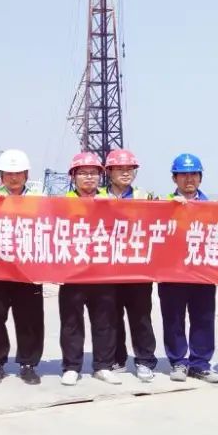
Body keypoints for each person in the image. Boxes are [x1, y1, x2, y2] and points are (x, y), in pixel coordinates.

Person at [0, 149, 45, 385]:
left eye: (18, 173)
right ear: (1, 176)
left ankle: (28, 364)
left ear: (26, 175)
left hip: (28, 270)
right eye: (9, 173)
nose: (14, 178)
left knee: (30, 318)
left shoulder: (40, 201)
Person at [58, 152, 122, 386]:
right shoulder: (60, 203)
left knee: (105, 321)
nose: (88, 177)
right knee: (71, 322)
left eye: (93, 173)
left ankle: (103, 366)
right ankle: (71, 367)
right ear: (73, 176)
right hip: (73, 273)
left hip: (102, 273)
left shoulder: (111, 201)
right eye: (83, 173)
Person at [158, 153, 218, 383]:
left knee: (203, 319)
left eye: (193, 174)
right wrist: (169, 210)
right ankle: (178, 362)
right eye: (183, 174)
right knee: (173, 320)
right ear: (174, 178)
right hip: (172, 274)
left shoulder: (212, 207)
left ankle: (200, 364)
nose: (189, 179)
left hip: (202, 274)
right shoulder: (162, 205)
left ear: (200, 178)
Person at [98, 148, 157, 382]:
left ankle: (145, 360)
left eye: (129, 169)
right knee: (111, 317)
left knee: (140, 317)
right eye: (119, 169)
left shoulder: (146, 197)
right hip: (108, 269)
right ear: (109, 172)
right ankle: (117, 358)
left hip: (137, 269)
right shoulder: (97, 196)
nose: (125, 173)